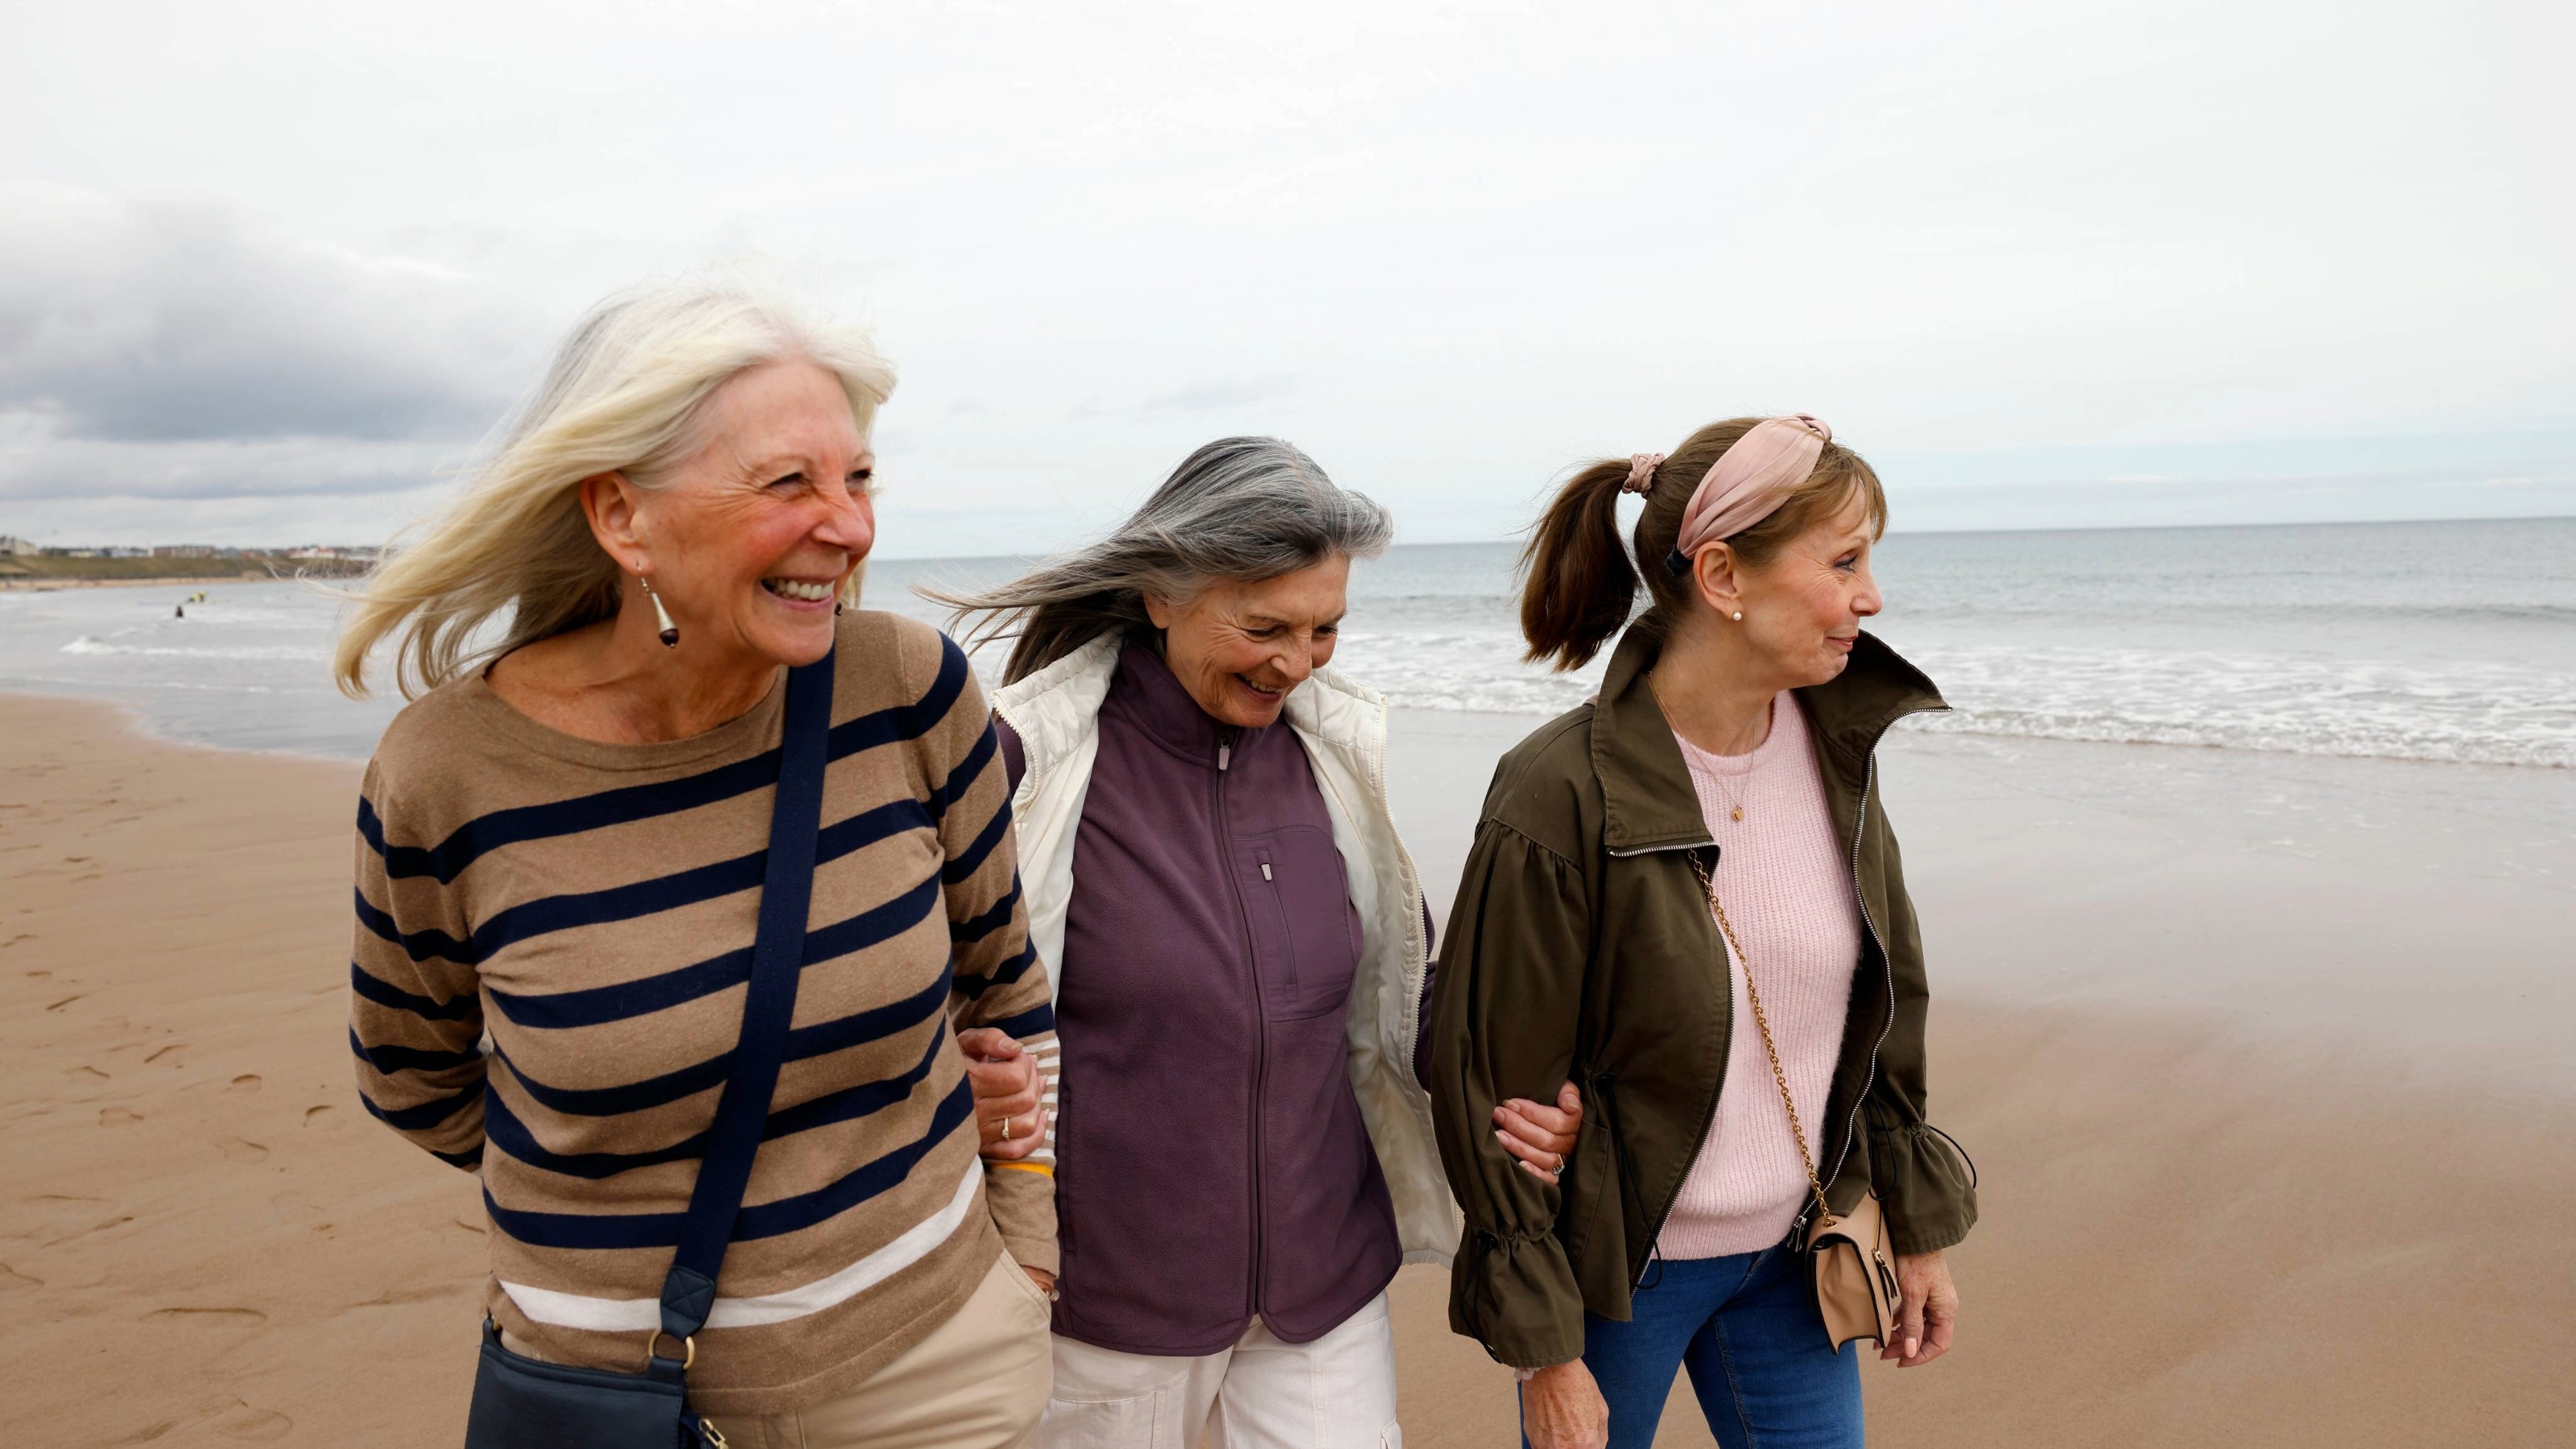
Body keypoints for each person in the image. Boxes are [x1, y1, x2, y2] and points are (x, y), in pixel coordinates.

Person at [336, 283, 1061, 1447]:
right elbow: (414, 1081)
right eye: (790, 484)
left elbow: (1010, 993)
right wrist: (620, 1167)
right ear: (624, 518)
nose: (851, 527)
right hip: (613, 1404)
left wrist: (1027, 1248)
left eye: (858, 478)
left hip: (944, 1372)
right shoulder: (447, 772)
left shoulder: (909, 691)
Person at [936, 438, 1581, 1449]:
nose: (1295, 660)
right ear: (1158, 594)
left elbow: (1405, 1008)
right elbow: (907, 1000)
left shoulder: (1335, 757)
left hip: (1323, 1287)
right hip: (1101, 1304)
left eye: (1325, 628)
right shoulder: (1023, 763)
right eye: (1262, 625)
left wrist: (1526, 1106)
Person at [1428, 416, 1980, 1449]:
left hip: (1793, 1254)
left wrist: (1915, 1228)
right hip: (1617, 1278)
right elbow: (1487, 1086)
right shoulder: (1557, 790)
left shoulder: (1836, 753)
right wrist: (1548, 1353)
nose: (1870, 597)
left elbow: (1884, 1012)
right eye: (1844, 561)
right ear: (1722, 575)